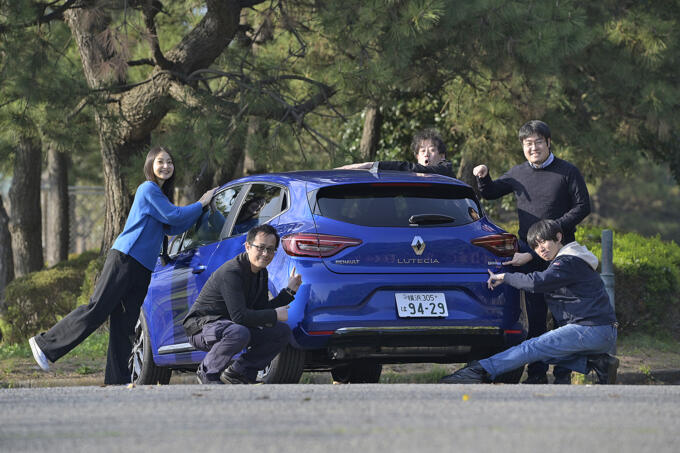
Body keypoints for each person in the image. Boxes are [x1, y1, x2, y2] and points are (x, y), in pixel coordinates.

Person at [29, 146, 216, 384]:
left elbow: (174, 226)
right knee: (97, 309)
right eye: (161, 162)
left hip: (143, 268)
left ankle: (116, 380)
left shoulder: (160, 196)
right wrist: (200, 204)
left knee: (124, 325)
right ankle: (45, 345)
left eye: (169, 162)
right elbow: (174, 217)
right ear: (150, 165)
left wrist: (202, 211)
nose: (166, 166)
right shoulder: (147, 188)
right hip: (125, 259)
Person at [473, 120, 591, 384]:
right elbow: (491, 193)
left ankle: (562, 375)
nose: (533, 147)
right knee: (536, 320)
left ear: (548, 143)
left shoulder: (567, 171)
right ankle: (537, 375)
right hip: (529, 257)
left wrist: (552, 230)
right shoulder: (518, 173)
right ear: (523, 147)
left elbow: (583, 207)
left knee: (564, 320)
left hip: (561, 255)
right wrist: (483, 177)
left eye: (538, 142)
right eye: (528, 144)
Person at [440, 220, 619, 385]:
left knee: (531, 347)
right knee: (542, 351)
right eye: (536, 246)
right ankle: (600, 363)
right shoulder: (572, 259)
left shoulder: (568, 261)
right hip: (599, 330)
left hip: (591, 329)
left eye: (544, 242)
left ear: (558, 237)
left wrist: (505, 277)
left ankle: (479, 371)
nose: (541, 249)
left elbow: (536, 282)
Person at [182, 224, 302, 384]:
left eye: (271, 249)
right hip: (202, 328)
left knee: (281, 332)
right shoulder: (232, 272)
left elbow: (259, 310)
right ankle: (207, 373)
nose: (266, 254)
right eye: (261, 248)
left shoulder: (261, 273)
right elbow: (239, 317)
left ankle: (240, 373)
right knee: (239, 331)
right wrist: (274, 315)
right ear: (247, 246)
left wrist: (289, 292)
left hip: (231, 326)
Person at [337, 128, 454, 177]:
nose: (426, 154)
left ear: (442, 156)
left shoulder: (446, 170)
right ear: (417, 156)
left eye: (432, 150)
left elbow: (409, 167)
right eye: (422, 151)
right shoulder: (408, 182)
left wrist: (372, 165)